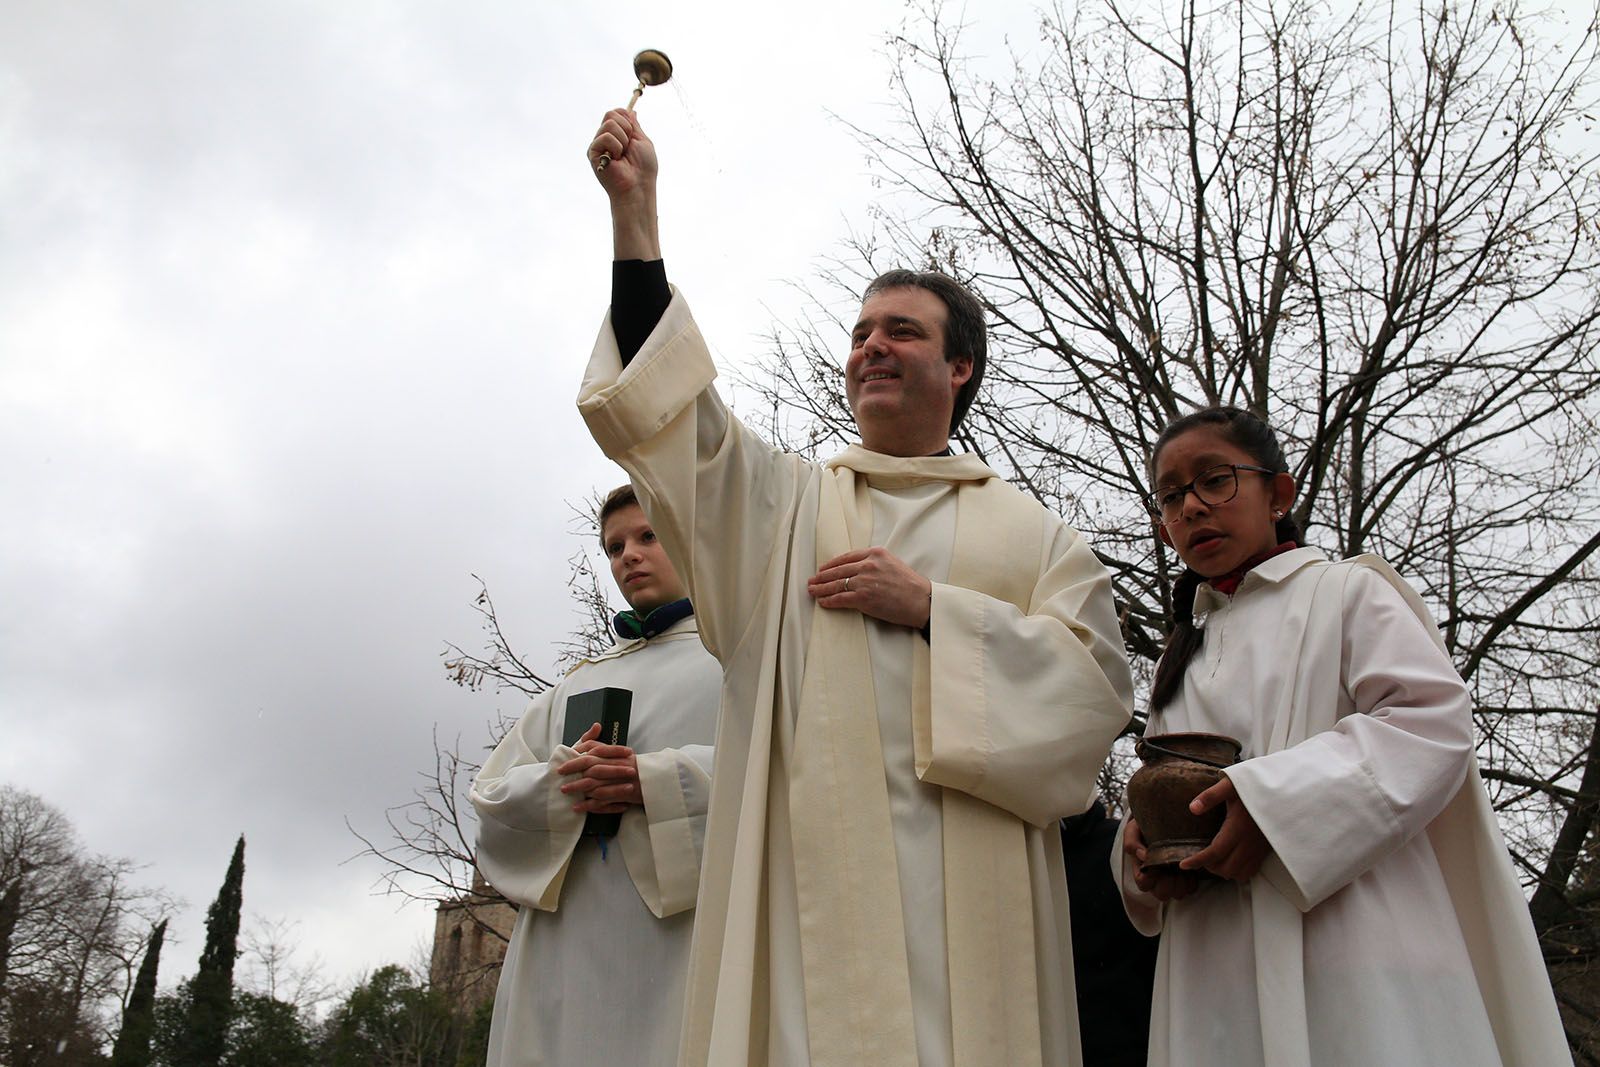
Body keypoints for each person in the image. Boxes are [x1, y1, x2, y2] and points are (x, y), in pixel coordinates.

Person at [577, 108, 1134, 1067]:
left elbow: (1094, 704)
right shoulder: (784, 508)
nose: (872, 346)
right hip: (815, 907)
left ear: (959, 367)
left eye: (902, 332)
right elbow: (676, 420)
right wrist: (638, 218)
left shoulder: (1036, 537)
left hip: (979, 910)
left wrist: (934, 613)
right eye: (862, 331)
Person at [1117, 406, 1571, 1066]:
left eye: (1215, 479)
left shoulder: (1349, 591)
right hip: (1211, 965)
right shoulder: (1177, 658)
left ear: (1279, 493)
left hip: (1353, 940)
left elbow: (1428, 722)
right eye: (1171, 495)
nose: (1190, 507)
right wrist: (1138, 854)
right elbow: (1158, 798)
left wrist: (1270, 807)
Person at [470, 484, 720, 1067]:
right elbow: (491, 804)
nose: (628, 555)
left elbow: (785, 781)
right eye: (613, 546)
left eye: (648, 536)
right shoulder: (573, 684)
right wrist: (562, 788)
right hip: (565, 947)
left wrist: (654, 782)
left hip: (682, 940)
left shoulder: (739, 657)